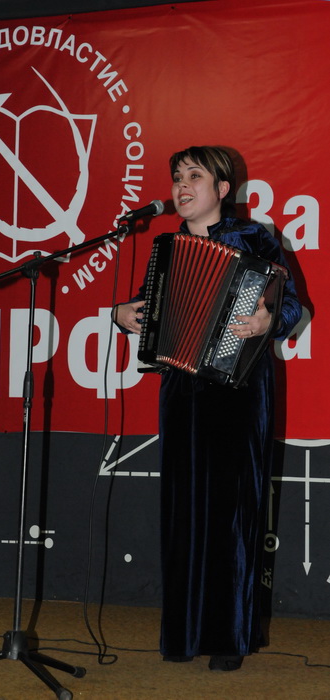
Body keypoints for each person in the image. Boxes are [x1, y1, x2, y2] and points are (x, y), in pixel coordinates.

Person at [113, 146, 302, 671]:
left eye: (194, 176)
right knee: (182, 510)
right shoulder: (166, 247)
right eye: (177, 177)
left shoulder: (255, 238)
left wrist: (267, 321)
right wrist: (121, 314)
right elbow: (147, 312)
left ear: (222, 189)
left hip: (239, 391)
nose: (181, 186)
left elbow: (290, 305)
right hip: (181, 388)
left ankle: (227, 637)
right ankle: (182, 632)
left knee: (232, 514)